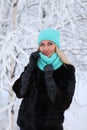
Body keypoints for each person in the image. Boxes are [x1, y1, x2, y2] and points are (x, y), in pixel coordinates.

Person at [12, 28, 76, 130]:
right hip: (26, 125)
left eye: (50, 43)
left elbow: (62, 104)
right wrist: (30, 68)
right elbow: (20, 92)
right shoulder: (34, 64)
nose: (46, 48)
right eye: (42, 44)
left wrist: (49, 76)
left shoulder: (66, 70)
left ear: (56, 46)